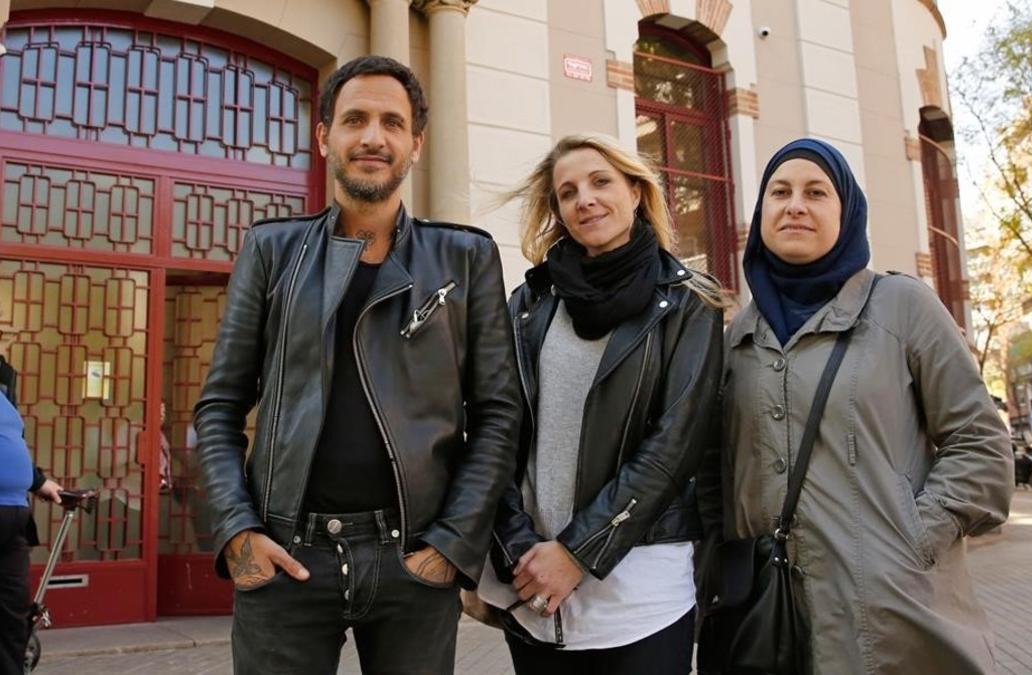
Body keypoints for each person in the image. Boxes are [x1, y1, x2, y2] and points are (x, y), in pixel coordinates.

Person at [194, 55, 521, 674]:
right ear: (325, 137)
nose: (374, 136)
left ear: (416, 144)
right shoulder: (271, 251)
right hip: (286, 557)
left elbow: (500, 414)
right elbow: (219, 407)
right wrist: (236, 529)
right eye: (356, 120)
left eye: (392, 123)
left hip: (414, 560)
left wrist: (451, 544)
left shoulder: (466, 256)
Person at [712, 138, 1013, 673]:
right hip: (768, 621)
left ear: (846, 212)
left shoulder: (902, 306)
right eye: (778, 192)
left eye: (816, 192)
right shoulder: (739, 336)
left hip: (891, 615)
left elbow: (981, 443)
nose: (795, 205)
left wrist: (911, 539)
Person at [476, 134, 724, 674]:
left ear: (636, 192)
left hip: (640, 595)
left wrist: (577, 553)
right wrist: (519, 550)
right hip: (534, 588)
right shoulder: (530, 303)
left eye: (600, 182)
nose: (584, 199)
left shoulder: (689, 303)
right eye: (568, 192)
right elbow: (495, 430)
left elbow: (674, 444)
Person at [1, 389, 62, 675]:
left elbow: (13, 444)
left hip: (14, 517)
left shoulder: (4, 398)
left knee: (13, 615)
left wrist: (39, 482)